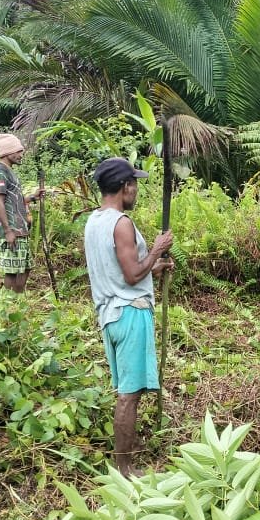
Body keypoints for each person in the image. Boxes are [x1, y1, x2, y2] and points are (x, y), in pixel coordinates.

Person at [84, 157, 174, 478]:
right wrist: (156, 249)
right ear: (125, 187)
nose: (137, 190)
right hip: (130, 315)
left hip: (110, 316)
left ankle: (124, 464)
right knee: (129, 396)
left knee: (126, 392)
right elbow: (133, 274)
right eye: (134, 184)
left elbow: (119, 271)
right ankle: (125, 469)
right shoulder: (121, 223)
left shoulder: (94, 221)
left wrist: (157, 267)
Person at [0, 134, 44, 293]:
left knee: (26, 267)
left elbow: (13, 200)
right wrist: (8, 231)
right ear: (8, 152)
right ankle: (7, 303)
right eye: (18, 151)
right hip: (12, 229)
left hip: (20, 229)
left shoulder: (9, 171)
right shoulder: (0, 172)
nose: (21, 155)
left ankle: (18, 298)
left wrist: (32, 197)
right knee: (12, 271)